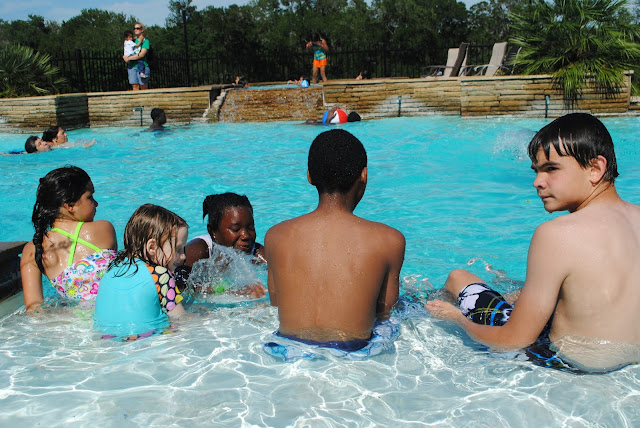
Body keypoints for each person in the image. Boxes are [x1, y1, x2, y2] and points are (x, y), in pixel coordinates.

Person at [426, 113, 640, 371]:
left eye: (551, 169)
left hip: (563, 365)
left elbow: (512, 341)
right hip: (629, 366)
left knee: (458, 278)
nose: (537, 182)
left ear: (595, 168)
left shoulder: (557, 234)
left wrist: (457, 320)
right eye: (537, 171)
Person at [265, 129, 405, 350]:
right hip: (356, 353)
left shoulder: (276, 236)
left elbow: (275, 302)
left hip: (287, 350)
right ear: (364, 175)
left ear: (309, 176)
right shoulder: (389, 240)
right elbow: (384, 311)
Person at [20, 166, 117, 311]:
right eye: (90, 196)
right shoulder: (104, 229)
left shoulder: (32, 249)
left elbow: (34, 309)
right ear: (70, 205)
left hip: (72, 322)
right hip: (112, 313)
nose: (96, 203)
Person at [94, 204, 187, 336]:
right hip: (145, 342)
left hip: (106, 339)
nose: (183, 256)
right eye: (178, 249)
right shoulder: (160, 275)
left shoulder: (112, 268)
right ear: (152, 247)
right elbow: (181, 319)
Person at [123, 22, 150, 90]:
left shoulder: (145, 41)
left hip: (142, 66)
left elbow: (141, 54)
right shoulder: (131, 40)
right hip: (132, 66)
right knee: (134, 86)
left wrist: (129, 58)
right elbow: (126, 50)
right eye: (134, 28)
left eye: (137, 28)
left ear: (142, 29)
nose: (135, 30)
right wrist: (124, 57)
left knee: (143, 86)